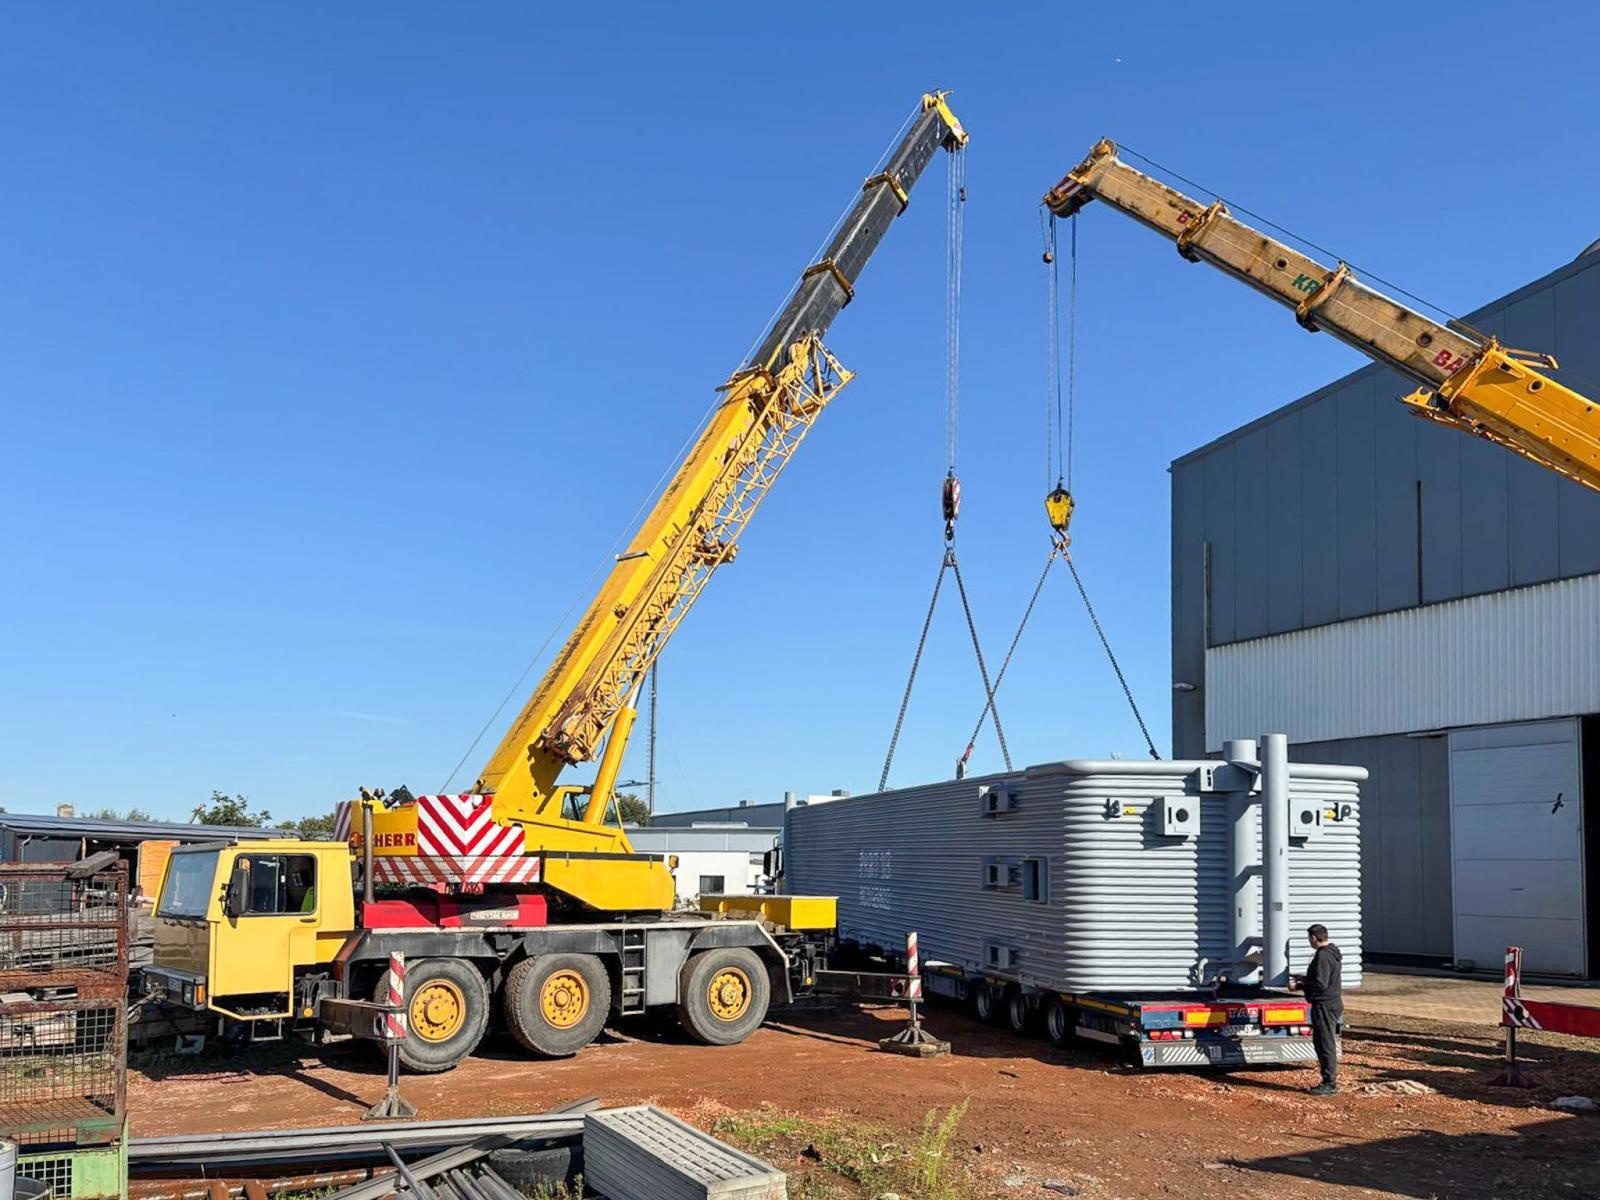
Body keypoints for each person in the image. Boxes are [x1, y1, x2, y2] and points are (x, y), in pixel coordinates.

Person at [1290, 923, 1343, 1095]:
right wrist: (1304, 978)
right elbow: (1322, 977)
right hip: (1332, 1002)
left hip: (1324, 1004)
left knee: (1324, 1042)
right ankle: (1329, 1080)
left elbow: (1320, 984)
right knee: (1323, 1040)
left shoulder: (1322, 956)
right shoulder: (1332, 953)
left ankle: (1330, 1083)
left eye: (1309, 939)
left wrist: (1299, 986)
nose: (1309, 942)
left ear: (1314, 938)